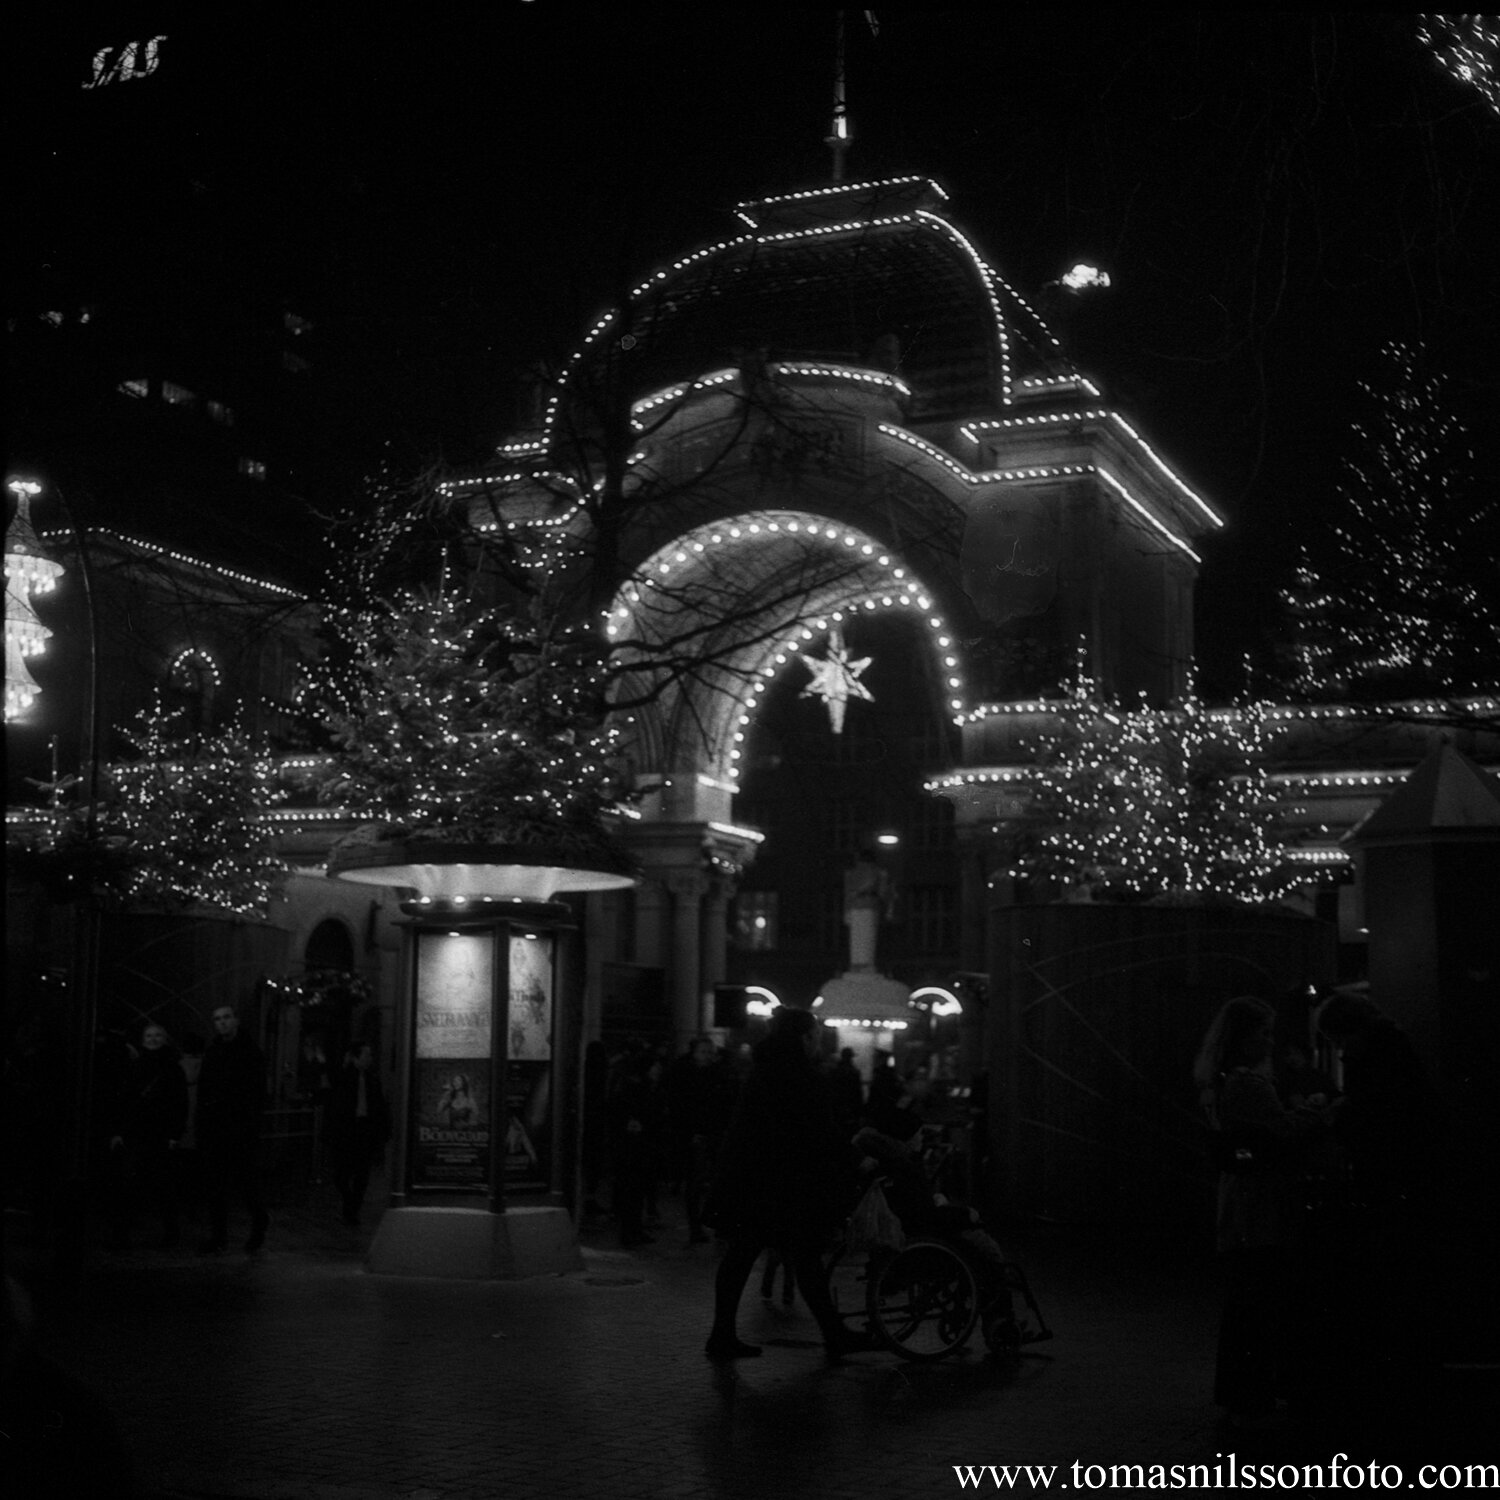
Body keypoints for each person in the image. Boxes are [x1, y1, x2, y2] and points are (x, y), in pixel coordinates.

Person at [702, 1006, 866, 1361]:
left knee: (745, 1255)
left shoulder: (766, 1069)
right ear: (803, 1038)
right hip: (777, 1185)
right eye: (816, 1036)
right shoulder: (799, 1075)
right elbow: (821, 1130)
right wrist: (855, 1158)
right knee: (802, 1257)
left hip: (753, 1179)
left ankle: (723, 1334)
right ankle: (834, 1335)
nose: (818, 1042)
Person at [1192, 995, 1325, 1429]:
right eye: (1262, 1033)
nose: (1268, 1041)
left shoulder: (1220, 1081)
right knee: (1262, 1296)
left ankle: (1243, 1392)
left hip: (1240, 1202)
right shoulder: (1249, 1083)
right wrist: (1317, 1111)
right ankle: (1253, 1392)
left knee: (1247, 1300)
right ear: (1243, 1038)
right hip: (1262, 1204)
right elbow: (1283, 1131)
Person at [107, 1022, 188, 1248]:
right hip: (141, 1133)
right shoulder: (149, 1067)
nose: (152, 1039)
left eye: (157, 1036)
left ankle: (159, 1233)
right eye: (149, 1036)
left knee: (156, 1186)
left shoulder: (169, 1069)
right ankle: (128, 1234)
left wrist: (174, 1133)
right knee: (135, 1186)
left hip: (156, 1134)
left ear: (164, 1039)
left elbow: (179, 1104)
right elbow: (124, 1100)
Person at [197, 1003, 269, 1255]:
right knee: (217, 1185)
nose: (222, 1022)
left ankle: (257, 1225)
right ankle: (219, 1236)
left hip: (240, 1129)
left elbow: (256, 1092)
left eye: (226, 1018)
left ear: (236, 1020)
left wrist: (247, 1123)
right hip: (218, 1128)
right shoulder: (214, 1051)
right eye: (218, 1019)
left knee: (247, 1183)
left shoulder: (249, 1052)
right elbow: (205, 1090)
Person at [665, 1035, 737, 1244]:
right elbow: (682, 1107)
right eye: (703, 1052)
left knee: (713, 1180)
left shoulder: (717, 1075)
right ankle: (698, 1226)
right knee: (696, 1182)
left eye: (710, 1052)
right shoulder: (686, 1076)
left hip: (713, 1132)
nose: (707, 1056)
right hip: (697, 1134)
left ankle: (714, 1224)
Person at [326, 1043, 390, 1226]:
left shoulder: (372, 1078)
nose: (370, 1058)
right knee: (342, 1174)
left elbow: (379, 1106)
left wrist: (382, 1130)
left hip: (365, 1129)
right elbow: (335, 1101)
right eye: (366, 1054)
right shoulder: (345, 1077)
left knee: (362, 1173)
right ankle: (350, 1201)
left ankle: (353, 1209)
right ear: (356, 1057)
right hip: (348, 1129)